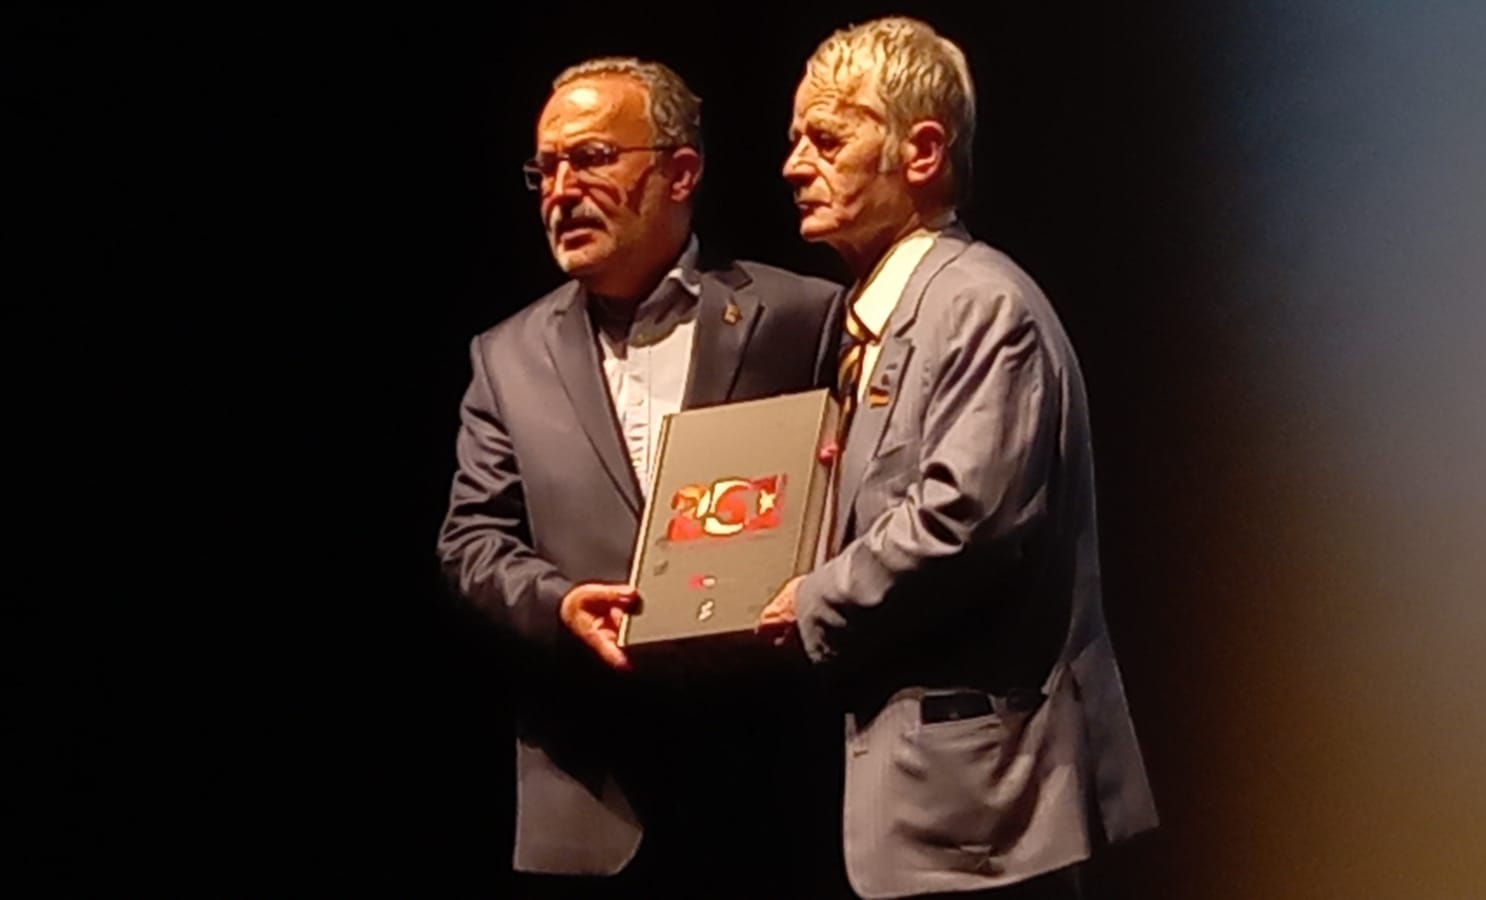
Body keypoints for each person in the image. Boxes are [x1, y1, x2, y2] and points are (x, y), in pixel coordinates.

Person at [756, 17, 1159, 899]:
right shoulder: (875, 322)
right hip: (920, 808)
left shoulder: (979, 306)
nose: (792, 166)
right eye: (794, 140)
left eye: (827, 139)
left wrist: (812, 596)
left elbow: (963, 523)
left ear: (923, 151)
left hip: (981, 814)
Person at [437, 56, 847, 898]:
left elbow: (856, 498)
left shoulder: (802, 317)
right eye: (546, 168)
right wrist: (557, 603)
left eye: (591, 159)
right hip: (589, 796)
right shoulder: (506, 356)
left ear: (680, 172)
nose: (561, 191)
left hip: (767, 788)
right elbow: (470, 540)